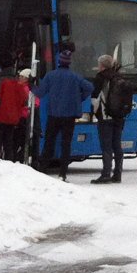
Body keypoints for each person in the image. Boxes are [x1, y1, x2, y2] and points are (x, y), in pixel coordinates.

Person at [31, 46, 93, 180]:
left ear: (59, 61)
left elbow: (40, 93)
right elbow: (89, 87)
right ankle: (63, 173)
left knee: (49, 142)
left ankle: (43, 170)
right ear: (69, 63)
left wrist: (31, 85)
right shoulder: (76, 77)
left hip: (54, 115)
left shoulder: (51, 75)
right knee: (66, 144)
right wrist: (79, 98)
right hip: (70, 116)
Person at [89, 54, 129, 184]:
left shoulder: (100, 78)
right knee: (117, 145)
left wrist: (96, 112)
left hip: (105, 116)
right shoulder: (119, 77)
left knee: (106, 146)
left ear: (102, 65)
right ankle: (117, 174)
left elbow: (95, 98)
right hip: (119, 116)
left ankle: (106, 173)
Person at [0, 62, 33, 162]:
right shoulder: (19, 84)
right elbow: (24, 101)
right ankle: (9, 163)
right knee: (9, 143)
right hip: (13, 119)